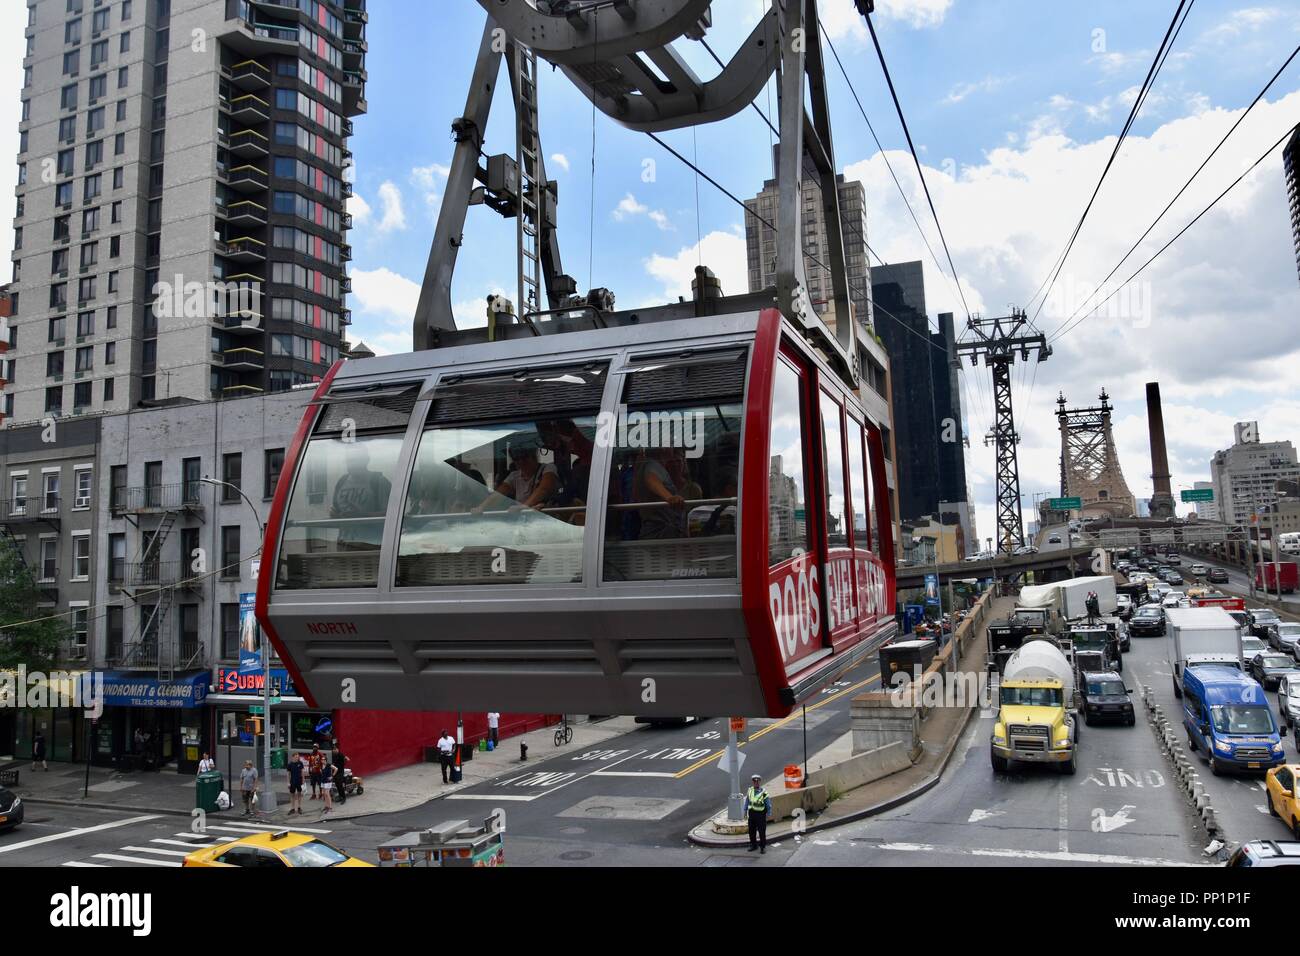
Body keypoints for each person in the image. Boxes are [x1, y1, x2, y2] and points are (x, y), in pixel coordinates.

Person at [330, 444, 392, 550]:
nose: (352, 464)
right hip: (344, 545)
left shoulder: (378, 482)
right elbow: (335, 511)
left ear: (366, 460)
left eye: (356, 460)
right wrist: (336, 516)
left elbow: (392, 515)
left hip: (371, 546)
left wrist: (361, 516)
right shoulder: (342, 482)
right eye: (349, 460)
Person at [473, 443, 559, 515]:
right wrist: (481, 507)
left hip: (547, 517)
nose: (521, 461)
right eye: (516, 458)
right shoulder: (514, 475)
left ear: (534, 457)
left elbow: (544, 489)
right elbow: (499, 494)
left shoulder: (548, 468)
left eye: (524, 457)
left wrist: (524, 507)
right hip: (525, 518)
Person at [745, 773, 772, 854]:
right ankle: (753, 845)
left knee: (761, 831)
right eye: (754, 781)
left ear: (760, 782)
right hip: (752, 813)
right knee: (751, 830)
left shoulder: (764, 793)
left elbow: (768, 804)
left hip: (760, 814)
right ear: (753, 782)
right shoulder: (750, 790)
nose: (756, 782)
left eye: (757, 781)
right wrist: (745, 811)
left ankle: (762, 847)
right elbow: (747, 801)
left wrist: (768, 814)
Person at [331, 740, 348, 805]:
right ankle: (340, 796)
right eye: (333, 749)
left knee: (340, 785)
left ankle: (344, 797)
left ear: (337, 749)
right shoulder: (334, 755)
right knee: (337, 785)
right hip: (335, 772)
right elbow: (333, 763)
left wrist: (346, 758)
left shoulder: (340, 755)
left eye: (335, 749)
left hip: (340, 772)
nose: (333, 750)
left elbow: (345, 758)